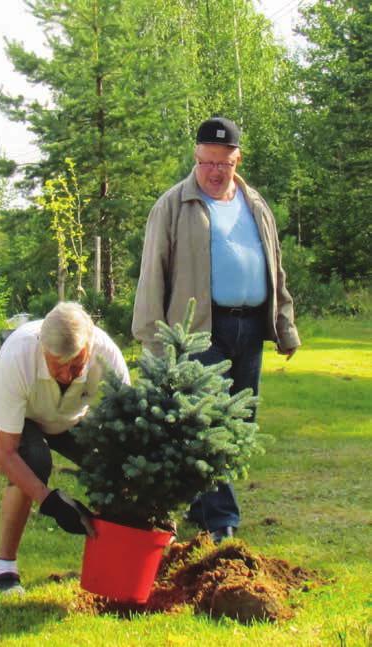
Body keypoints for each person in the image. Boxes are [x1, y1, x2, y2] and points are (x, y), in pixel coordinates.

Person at [132, 116, 300, 543]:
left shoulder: (255, 203)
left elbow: (274, 267)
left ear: (236, 160)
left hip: (250, 326)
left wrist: (284, 324)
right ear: (196, 157)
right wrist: (153, 338)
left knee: (240, 421)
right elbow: (153, 274)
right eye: (206, 162)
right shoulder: (173, 205)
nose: (214, 171)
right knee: (206, 423)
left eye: (223, 163)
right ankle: (220, 519)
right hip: (199, 330)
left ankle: (199, 500)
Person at [0, 301, 130, 594]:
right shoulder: (18, 355)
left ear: (90, 345)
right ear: (41, 347)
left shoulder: (106, 355)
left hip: (67, 415)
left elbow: (127, 429)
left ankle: (114, 561)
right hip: (2, 406)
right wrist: (50, 502)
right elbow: (6, 454)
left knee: (109, 462)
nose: (64, 375)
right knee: (33, 460)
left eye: (75, 365)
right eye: (55, 365)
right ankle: (3, 572)